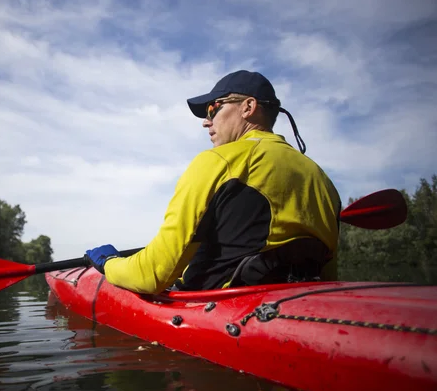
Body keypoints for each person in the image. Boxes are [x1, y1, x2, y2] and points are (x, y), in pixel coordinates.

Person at [85, 70, 342, 294]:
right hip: (299, 302)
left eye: (213, 109)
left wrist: (110, 263)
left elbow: (152, 275)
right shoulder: (322, 180)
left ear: (248, 107)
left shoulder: (218, 161)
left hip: (218, 309)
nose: (206, 121)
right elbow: (330, 277)